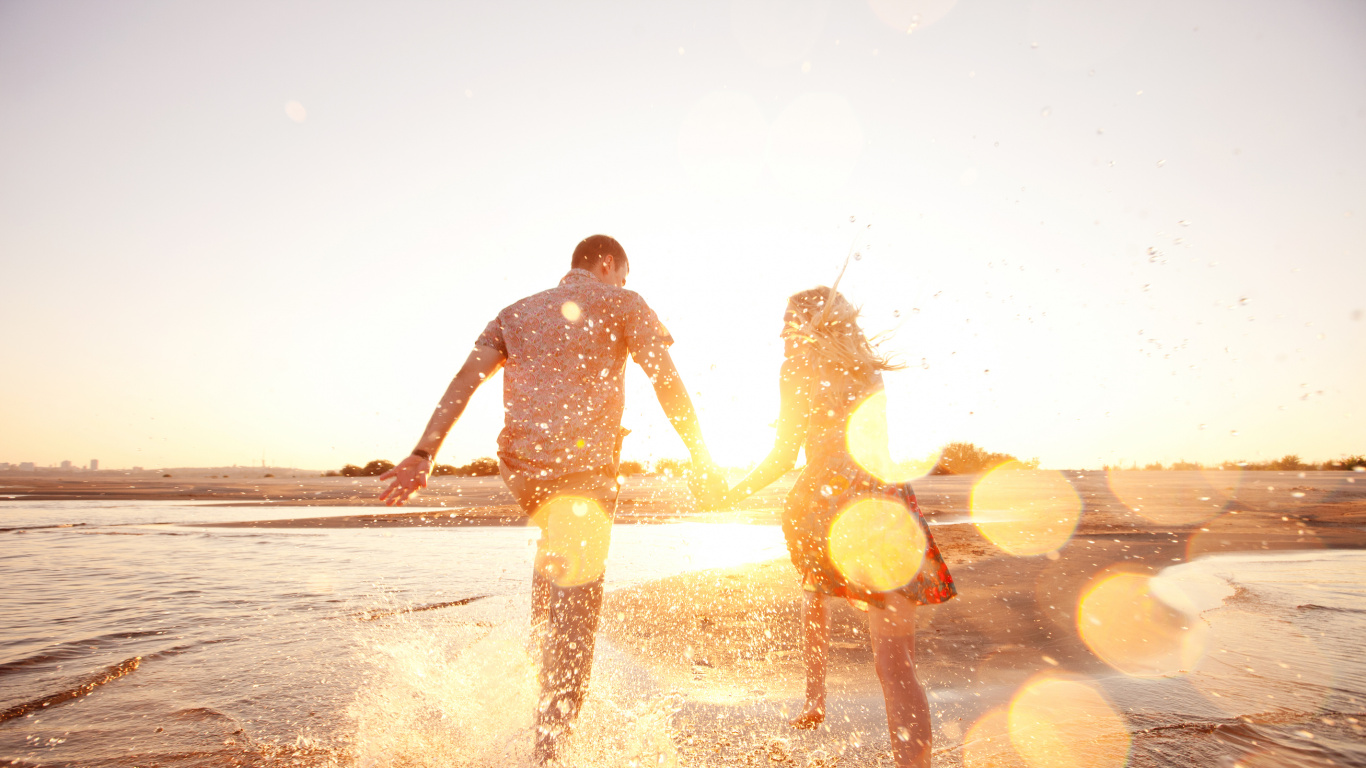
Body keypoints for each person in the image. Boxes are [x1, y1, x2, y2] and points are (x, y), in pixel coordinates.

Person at [378, 234, 725, 765]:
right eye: (623, 275)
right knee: (577, 621)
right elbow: (666, 380)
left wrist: (423, 454)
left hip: (523, 473)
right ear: (609, 264)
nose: (624, 284)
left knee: (554, 557)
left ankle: (533, 678)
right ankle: (550, 754)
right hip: (583, 475)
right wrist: (702, 458)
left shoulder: (515, 311)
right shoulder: (623, 303)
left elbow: (464, 381)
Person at [722, 286, 955, 768]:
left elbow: (784, 455)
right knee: (898, 668)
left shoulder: (796, 369)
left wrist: (729, 493)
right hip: (887, 509)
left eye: (788, 320)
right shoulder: (868, 368)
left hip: (829, 507)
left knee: (815, 584)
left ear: (809, 325)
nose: (781, 330)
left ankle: (814, 696)